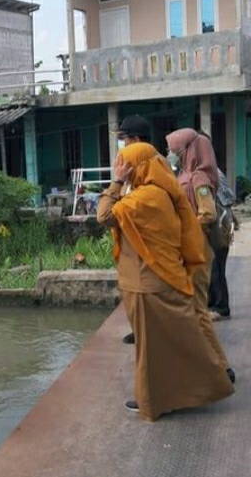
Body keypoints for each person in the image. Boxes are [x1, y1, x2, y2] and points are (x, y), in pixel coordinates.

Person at [97, 142, 234, 421]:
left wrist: (116, 182)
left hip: (148, 283)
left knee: (152, 350)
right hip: (155, 278)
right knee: (170, 343)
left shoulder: (147, 197)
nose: (122, 169)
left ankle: (155, 401)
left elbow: (105, 215)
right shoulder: (158, 191)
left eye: (127, 165)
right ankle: (192, 388)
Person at [166, 128, 235, 383]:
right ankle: (212, 367)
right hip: (191, 249)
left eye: (175, 151)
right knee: (194, 311)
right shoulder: (185, 174)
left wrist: (186, 229)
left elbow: (208, 213)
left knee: (196, 311)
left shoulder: (200, 178)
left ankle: (221, 369)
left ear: (189, 151)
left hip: (199, 248)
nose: (172, 156)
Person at [115, 114, 152, 345]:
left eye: (124, 140)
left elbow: (105, 215)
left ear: (136, 139)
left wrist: (116, 183)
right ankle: (138, 329)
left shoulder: (151, 167)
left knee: (143, 294)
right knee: (130, 294)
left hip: (143, 245)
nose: (123, 145)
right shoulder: (134, 170)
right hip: (129, 244)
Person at [207, 167, 238, 320]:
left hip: (218, 226)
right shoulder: (208, 169)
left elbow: (227, 199)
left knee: (216, 267)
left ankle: (220, 307)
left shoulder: (209, 172)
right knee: (213, 267)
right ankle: (212, 303)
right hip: (219, 224)